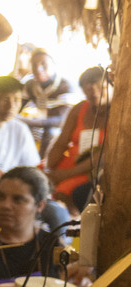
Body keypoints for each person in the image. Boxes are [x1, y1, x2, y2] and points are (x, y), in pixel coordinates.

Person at [0, 166, 62, 286]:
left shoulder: (51, 245)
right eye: (1, 197)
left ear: (40, 206)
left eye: (18, 200)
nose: (6, 205)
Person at [45, 65, 109, 205]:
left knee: (63, 191)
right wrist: (49, 168)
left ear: (110, 86)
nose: (94, 93)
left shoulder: (118, 112)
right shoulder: (80, 108)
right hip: (69, 163)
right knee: (36, 179)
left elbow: (104, 156)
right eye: (88, 90)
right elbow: (61, 142)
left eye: (100, 88)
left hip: (92, 170)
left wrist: (64, 175)